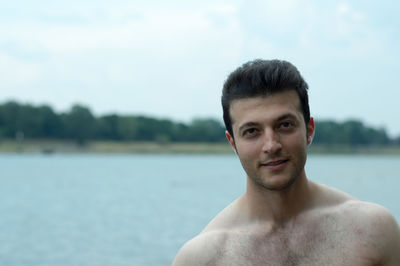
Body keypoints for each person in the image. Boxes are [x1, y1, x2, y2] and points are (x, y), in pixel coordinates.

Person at [173, 59, 400, 265]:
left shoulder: (373, 230)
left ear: (309, 130)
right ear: (232, 142)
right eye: (252, 131)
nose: (271, 145)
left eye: (285, 125)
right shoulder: (202, 258)